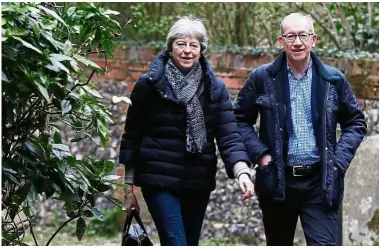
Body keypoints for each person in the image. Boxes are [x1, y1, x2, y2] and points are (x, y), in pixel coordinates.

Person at [118, 16, 254, 246]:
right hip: (158, 180)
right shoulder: (149, 85)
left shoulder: (215, 88)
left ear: (202, 50)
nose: (187, 51)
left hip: (197, 182)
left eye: (194, 45)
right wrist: (128, 189)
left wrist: (242, 171)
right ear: (170, 48)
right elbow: (132, 136)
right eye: (181, 44)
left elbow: (229, 135)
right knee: (175, 242)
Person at [234, 13, 367, 246]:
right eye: (291, 36)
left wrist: (337, 162)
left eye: (303, 35)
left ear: (313, 40)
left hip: (320, 183)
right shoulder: (262, 78)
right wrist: (261, 154)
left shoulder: (333, 80)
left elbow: (356, 122)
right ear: (281, 41)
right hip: (277, 181)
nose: (297, 42)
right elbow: (239, 120)